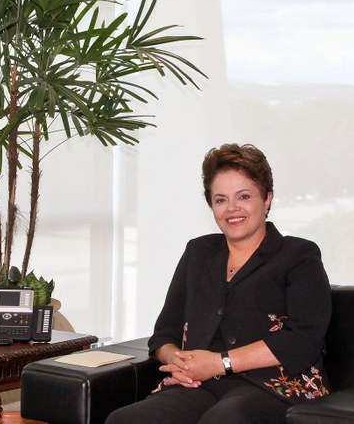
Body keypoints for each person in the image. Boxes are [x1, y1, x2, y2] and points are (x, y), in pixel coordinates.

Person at [105, 143, 331, 424]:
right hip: (200, 384)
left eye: (244, 196)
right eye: (221, 199)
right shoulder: (198, 252)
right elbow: (163, 336)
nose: (232, 208)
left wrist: (219, 362)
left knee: (224, 419)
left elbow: (303, 339)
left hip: (275, 386)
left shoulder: (299, 255)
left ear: (267, 199)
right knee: (126, 419)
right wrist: (178, 361)